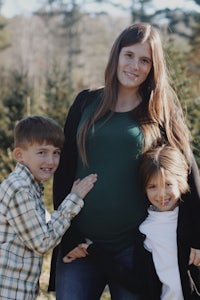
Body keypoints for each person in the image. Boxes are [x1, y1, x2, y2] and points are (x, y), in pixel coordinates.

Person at [48, 22, 200, 300]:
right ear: (116, 55)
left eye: (145, 60)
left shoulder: (159, 110)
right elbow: (65, 170)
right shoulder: (85, 103)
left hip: (135, 248)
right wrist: (67, 235)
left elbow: (187, 172)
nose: (135, 65)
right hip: (81, 245)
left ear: (153, 68)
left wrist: (199, 238)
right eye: (129, 55)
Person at [80, 145, 200, 299]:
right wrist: (95, 252)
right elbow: (139, 283)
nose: (161, 194)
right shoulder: (145, 230)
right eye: (153, 187)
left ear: (181, 181)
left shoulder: (193, 222)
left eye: (168, 184)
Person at [0, 115, 97, 300]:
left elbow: (44, 228)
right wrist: (74, 199)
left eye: (56, 152)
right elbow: (43, 241)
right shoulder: (19, 189)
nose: (51, 161)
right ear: (19, 155)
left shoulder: (31, 187)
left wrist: (71, 245)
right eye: (42, 152)